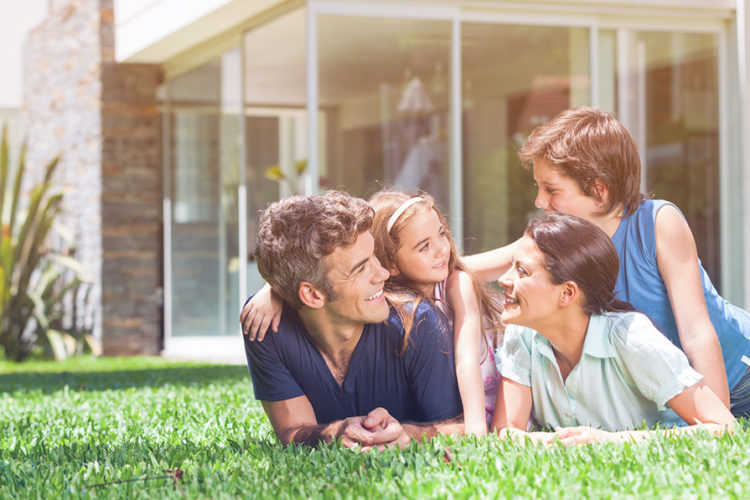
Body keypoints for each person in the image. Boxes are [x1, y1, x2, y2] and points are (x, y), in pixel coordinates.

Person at [466, 106, 750, 418]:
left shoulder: (658, 223)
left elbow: (698, 334)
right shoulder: (561, 240)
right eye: (539, 187)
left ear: (599, 191)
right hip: (677, 388)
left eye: (552, 189)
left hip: (737, 376)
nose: (539, 201)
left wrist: (718, 421)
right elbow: (476, 266)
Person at [243, 189, 505, 436]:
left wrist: (410, 435)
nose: (382, 275)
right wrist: (336, 433)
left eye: (375, 257)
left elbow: (461, 428)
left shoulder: (422, 318)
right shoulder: (264, 324)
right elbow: (292, 432)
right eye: (360, 269)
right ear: (311, 295)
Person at [492, 214, 735, 444]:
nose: (504, 279)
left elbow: (724, 427)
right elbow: (505, 431)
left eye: (521, 271)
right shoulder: (522, 333)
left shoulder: (631, 338)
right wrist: (553, 442)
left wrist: (610, 441)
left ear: (567, 293)